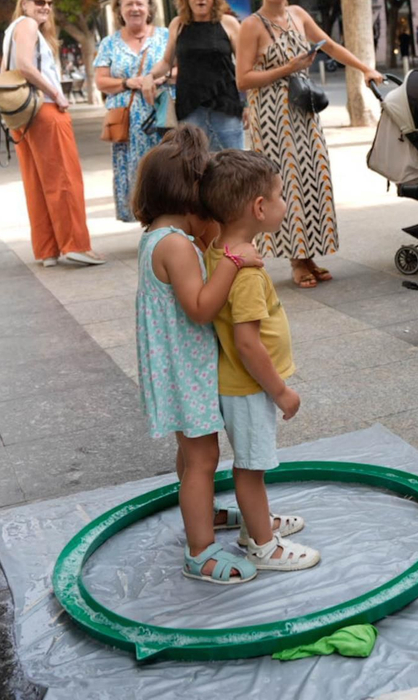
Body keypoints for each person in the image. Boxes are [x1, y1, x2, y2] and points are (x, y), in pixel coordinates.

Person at [130, 126, 287, 584]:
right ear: (187, 194)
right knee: (202, 459)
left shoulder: (157, 237)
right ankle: (200, 551)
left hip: (174, 369)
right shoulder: (176, 245)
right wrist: (235, 262)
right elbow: (200, 309)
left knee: (191, 455)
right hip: (184, 371)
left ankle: (202, 514)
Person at [200, 149, 321, 571]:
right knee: (252, 467)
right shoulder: (246, 272)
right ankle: (263, 546)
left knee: (255, 462)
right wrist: (282, 391)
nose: (285, 204)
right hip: (250, 387)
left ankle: (257, 524)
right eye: (280, 196)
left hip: (244, 386)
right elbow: (248, 344)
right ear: (259, 207)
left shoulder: (222, 252)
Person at [236, 0, 383, 288]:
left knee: (313, 180)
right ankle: (296, 260)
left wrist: (364, 69)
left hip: (304, 115)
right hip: (272, 119)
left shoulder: (298, 15)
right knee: (283, 186)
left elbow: (330, 45)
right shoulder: (251, 25)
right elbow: (243, 80)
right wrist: (288, 68)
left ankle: (308, 254)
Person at [3, 0, 105, 268]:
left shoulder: (12, 29)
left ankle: (47, 249)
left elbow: (9, 70)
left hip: (22, 114)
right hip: (44, 109)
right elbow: (25, 65)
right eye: (38, 2)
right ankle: (76, 245)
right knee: (65, 178)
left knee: (36, 182)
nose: (45, 7)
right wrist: (56, 92)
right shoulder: (27, 26)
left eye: (48, 3)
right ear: (24, 3)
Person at [93, 0, 170, 223]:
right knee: (133, 173)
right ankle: (146, 222)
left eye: (140, 3)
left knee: (165, 169)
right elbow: (101, 81)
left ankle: (168, 220)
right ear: (119, 10)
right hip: (127, 124)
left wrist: (160, 78)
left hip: (162, 118)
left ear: (149, 8)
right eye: (129, 4)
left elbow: (182, 68)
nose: (135, 8)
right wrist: (128, 82)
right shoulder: (109, 43)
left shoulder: (166, 36)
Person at [149, 0, 246, 151]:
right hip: (190, 108)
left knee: (235, 166)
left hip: (226, 106)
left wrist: (248, 104)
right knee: (195, 167)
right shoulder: (177, 24)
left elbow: (244, 65)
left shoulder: (229, 23)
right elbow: (166, 62)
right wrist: (149, 76)